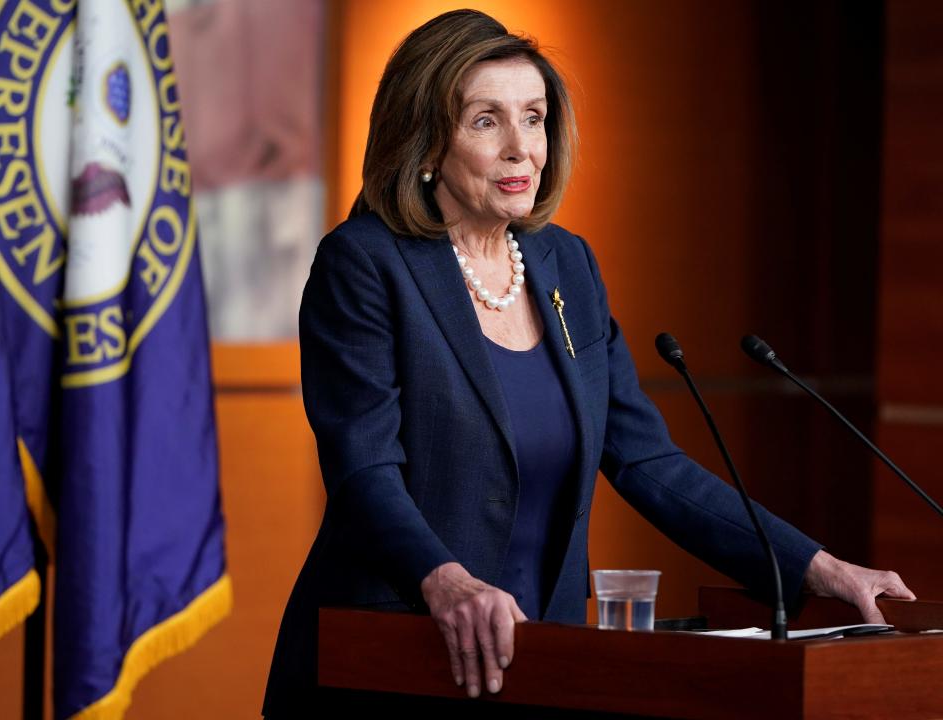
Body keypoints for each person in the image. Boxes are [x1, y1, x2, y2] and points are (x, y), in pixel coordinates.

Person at [263, 9, 914, 716]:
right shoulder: (365, 265)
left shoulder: (565, 263)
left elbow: (648, 464)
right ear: (424, 143)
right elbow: (364, 470)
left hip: (545, 660)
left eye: (534, 117)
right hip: (394, 657)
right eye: (486, 121)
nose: (522, 149)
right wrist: (444, 579)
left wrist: (815, 567)